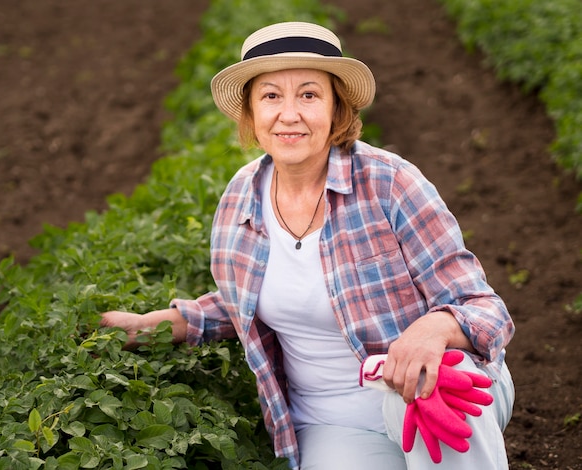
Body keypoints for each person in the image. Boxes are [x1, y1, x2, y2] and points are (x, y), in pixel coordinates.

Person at [101, 21, 515, 469]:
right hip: (333, 423)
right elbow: (246, 299)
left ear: (336, 108)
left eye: (309, 94)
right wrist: (155, 325)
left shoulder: (389, 183)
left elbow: (483, 307)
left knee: (439, 392)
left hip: (430, 387)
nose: (289, 113)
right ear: (251, 114)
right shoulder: (240, 198)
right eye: (271, 96)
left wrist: (431, 331)